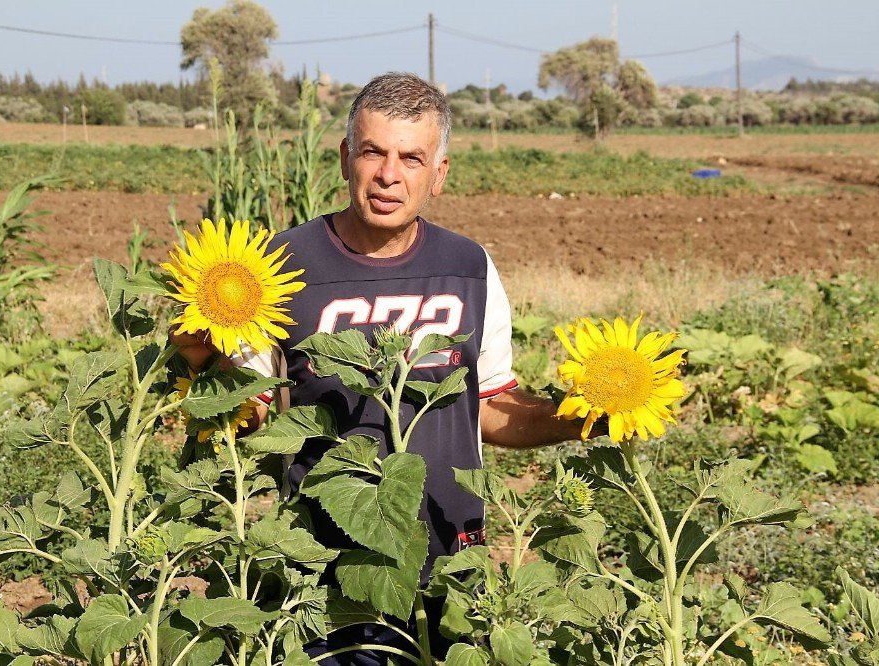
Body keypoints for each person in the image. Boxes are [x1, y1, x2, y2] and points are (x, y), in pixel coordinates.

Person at [172, 72, 605, 662]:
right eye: (373, 152)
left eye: (411, 158)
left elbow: (493, 406)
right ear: (346, 157)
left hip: (452, 560)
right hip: (329, 569)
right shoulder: (278, 267)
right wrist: (202, 363)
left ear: (440, 173)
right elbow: (253, 411)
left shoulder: (468, 267)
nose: (389, 175)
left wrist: (587, 417)